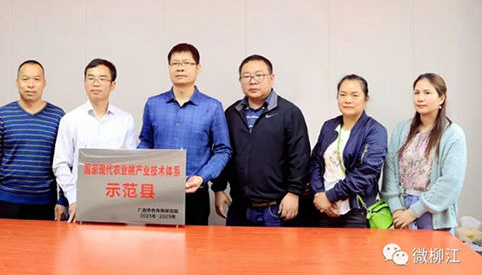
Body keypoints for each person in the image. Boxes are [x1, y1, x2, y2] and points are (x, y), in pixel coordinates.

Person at [138, 43, 231, 225]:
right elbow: (146, 142)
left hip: (195, 192)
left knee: (194, 243)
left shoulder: (212, 107)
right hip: (158, 192)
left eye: (186, 63)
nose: (180, 68)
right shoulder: (153, 104)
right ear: (169, 67)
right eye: (175, 63)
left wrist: (202, 177)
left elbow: (223, 150)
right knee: (155, 242)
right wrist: (135, 159)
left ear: (198, 68)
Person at [213, 55, 310, 227]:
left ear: (272, 78)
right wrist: (219, 188)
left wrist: (294, 193)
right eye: (247, 76)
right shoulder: (232, 113)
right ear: (240, 80)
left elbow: (300, 156)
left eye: (259, 75)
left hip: (276, 208)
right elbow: (223, 153)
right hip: (239, 207)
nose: (253, 81)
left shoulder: (288, 112)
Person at [53, 59, 137, 222]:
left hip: (117, 201)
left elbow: (131, 165)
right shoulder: (70, 120)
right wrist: (73, 198)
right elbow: (60, 164)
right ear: (85, 83)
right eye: (91, 78)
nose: (96, 83)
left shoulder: (126, 120)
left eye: (102, 78)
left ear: (113, 85)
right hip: (81, 202)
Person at [381, 73, 466, 231]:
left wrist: (413, 212)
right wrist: (397, 209)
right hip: (401, 212)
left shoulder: (453, 134)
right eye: (416, 92)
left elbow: (451, 182)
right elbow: (390, 169)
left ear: (441, 98)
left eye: (427, 93)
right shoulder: (401, 129)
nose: (420, 98)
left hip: (432, 213)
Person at [0, 60, 66, 220]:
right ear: (17, 83)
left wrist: (63, 199)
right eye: (25, 79)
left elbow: (64, 161)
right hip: (7, 201)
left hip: (45, 202)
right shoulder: (2, 115)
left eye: (36, 79)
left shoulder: (58, 116)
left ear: (44, 83)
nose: (30, 85)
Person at [309, 74, 387, 228]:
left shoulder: (375, 131)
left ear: (366, 99)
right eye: (343, 95)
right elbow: (315, 162)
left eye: (354, 95)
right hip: (325, 209)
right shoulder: (329, 126)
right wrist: (319, 193)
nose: (348, 100)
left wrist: (331, 196)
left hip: (356, 212)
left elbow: (367, 172)